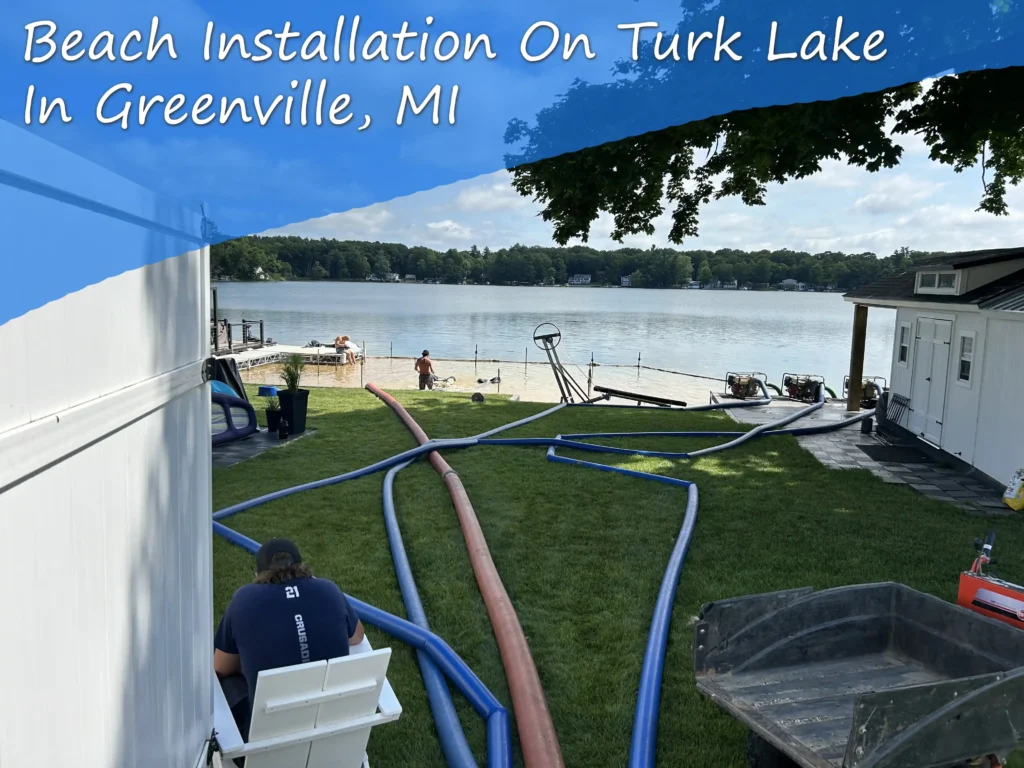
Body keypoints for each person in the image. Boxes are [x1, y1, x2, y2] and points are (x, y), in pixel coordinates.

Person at [213, 538, 365, 742]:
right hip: (331, 736)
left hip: (264, 748)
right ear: (302, 568)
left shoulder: (245, 599)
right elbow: (357, 636)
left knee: (227, 680)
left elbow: (220, 667)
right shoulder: (328, 589)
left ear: (258, 575)